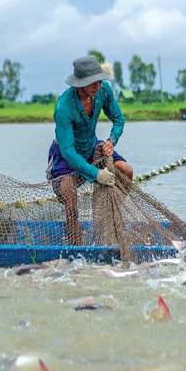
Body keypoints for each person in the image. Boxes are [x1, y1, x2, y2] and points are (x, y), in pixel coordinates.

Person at [47, 55, 133, 245]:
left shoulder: (103, 91)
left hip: (92, 145)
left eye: (99, 80)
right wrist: (96, 173)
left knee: (126, 171)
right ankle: (75, 248)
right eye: (92, 82)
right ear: (80, 84)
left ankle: (109, 223)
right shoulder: (64, 107)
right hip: (64, 155)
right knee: (69, 195)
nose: (97, 85)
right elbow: (68, 151)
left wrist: (111, 140)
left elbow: (118, 119)